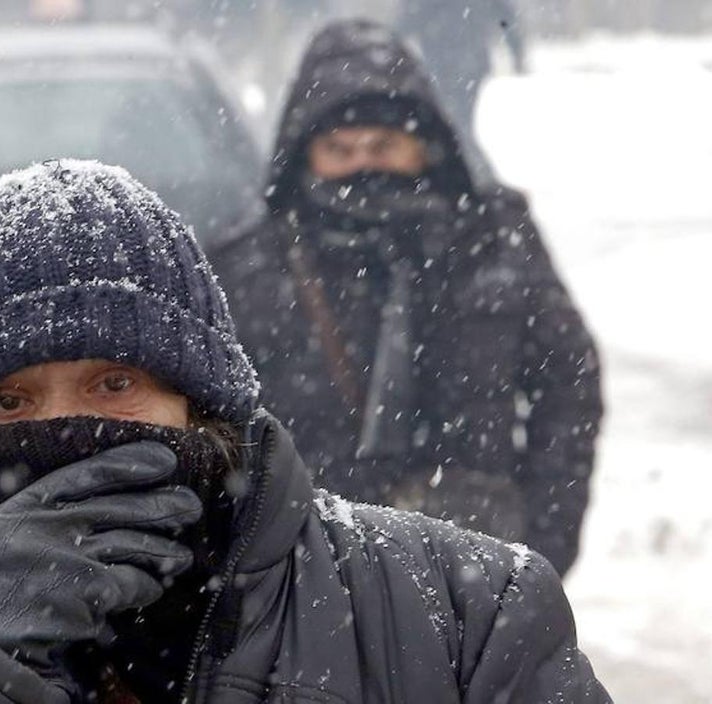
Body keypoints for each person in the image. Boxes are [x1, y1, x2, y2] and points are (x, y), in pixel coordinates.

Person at [0, 160, 609, 703]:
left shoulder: (464, 618)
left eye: (113, 383)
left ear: (202, 399)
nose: (67, 432)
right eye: (11, 403)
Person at [211, 20, 602, 575]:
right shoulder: (251, 264)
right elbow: (213, 427)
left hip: (479, 567)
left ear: (425, 148)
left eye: (384, 145)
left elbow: (569, 383)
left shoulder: (492, 239)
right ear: (304, 155)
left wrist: (545, 539)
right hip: (310, 576)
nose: (363, 165)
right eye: (339, 149)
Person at [393, 0, 527, 174]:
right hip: (465, 64)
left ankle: (474, 175)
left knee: (455, 123)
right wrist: (515, 49)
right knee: (457, 122)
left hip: (448, 65)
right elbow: (505, 17)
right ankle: (470, 173)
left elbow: (408, 21)